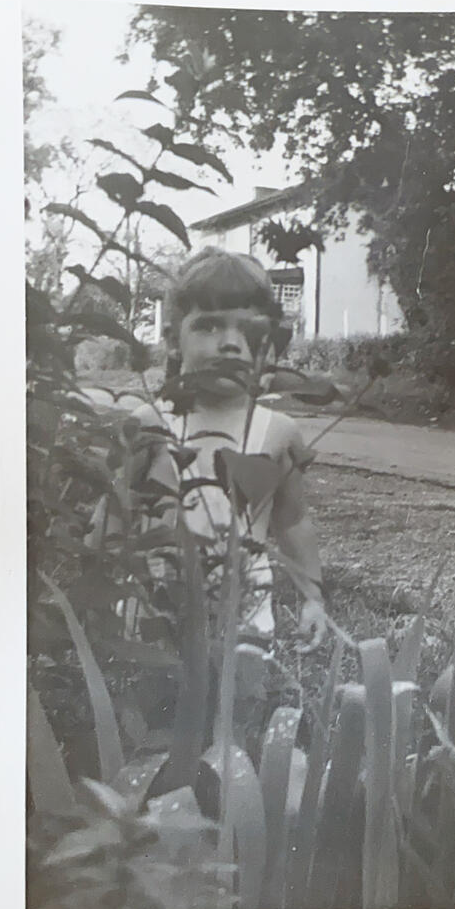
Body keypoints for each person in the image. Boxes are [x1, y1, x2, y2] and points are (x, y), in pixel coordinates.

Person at [131, 247, 326, 653]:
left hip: (245, 608)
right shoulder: (148, 424)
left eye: (248, 330)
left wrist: (313, 597)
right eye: (209, 326)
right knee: (153, 684)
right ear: (173, 341)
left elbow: (292, 521)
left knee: (241, 686)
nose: (231, 344)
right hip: (155, 607)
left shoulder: (279, 433)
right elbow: (112, 516)